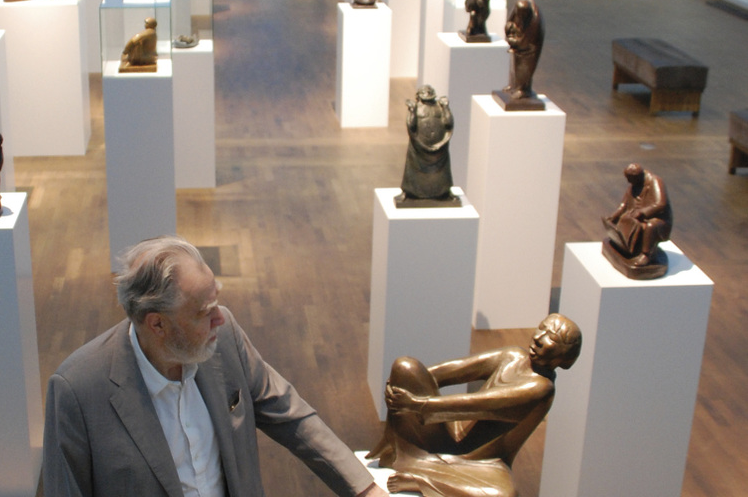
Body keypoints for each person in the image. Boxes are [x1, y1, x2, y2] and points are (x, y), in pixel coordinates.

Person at [43, 236, 388, 497]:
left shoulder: (222, 337)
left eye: (216, 301)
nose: (220, 318)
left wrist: (364, 488)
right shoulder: (77, 390)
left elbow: (289, 413)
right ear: (157, 324)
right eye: (203, 312)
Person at [367, 313, 582, 469]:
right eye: (541, 328)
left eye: (551, 338)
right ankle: (401, 449)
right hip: (449, 430)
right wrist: (406, 381)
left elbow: (476, 405)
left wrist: (417, 404)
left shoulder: (541, 388)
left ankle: (414, 463)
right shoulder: (513, 355)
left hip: (469, 454)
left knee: (501, 493)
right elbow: (454, 370)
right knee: (405, 367)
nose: (538, 338)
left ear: (564, 357)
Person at [602, 163, 672, 275]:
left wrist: (642, 212)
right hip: (638, 216)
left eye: (630, 179)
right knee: (625, 219)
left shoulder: (655, 181)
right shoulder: (635, 183)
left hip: (657, 219)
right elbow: (624, 205)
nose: (629, 183)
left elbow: (660, 204)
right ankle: (627, 247)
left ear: (638, 176)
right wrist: (614, 216)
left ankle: (646, 255)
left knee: (649, 227)